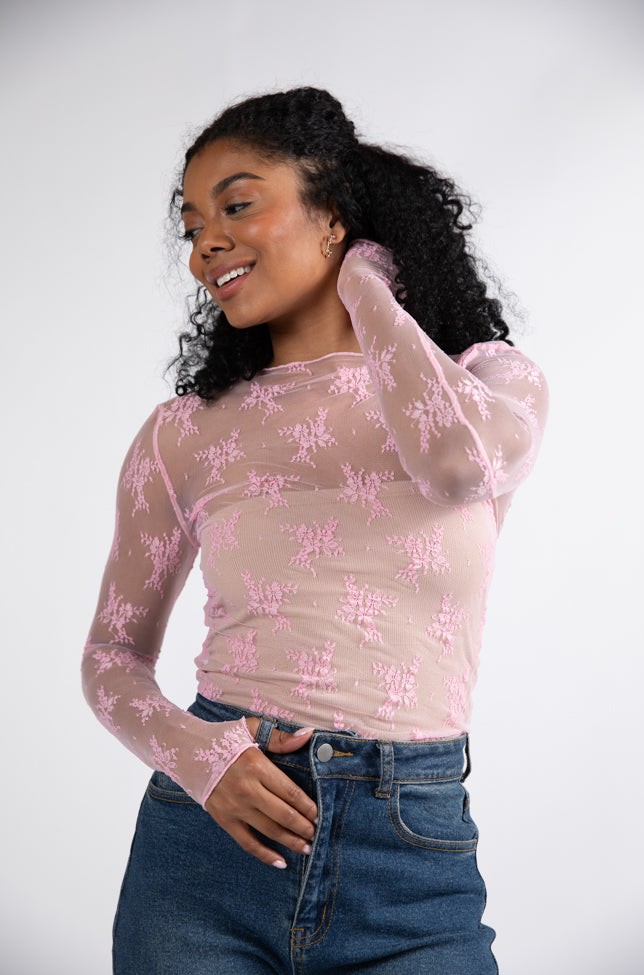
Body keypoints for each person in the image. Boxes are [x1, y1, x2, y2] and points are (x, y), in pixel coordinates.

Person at [83, 86, 548, 974]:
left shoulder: (488, 380)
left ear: (334, 215)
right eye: (192, 226)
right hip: (208, 850)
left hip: (411, 866)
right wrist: (198, 755)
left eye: (236, 205)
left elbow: (454, 462)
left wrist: (366, 285)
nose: (204, 244)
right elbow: (110, 657)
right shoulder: (183, 432)